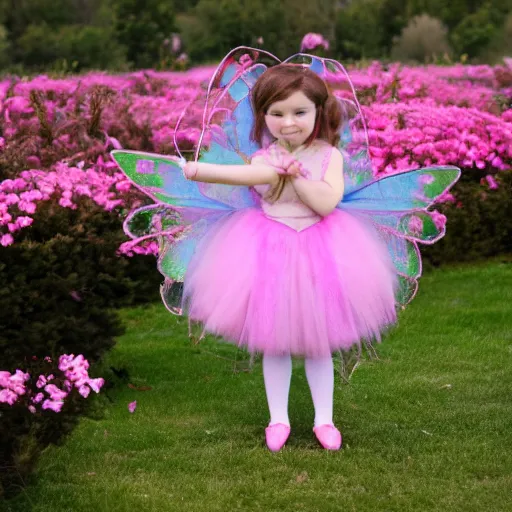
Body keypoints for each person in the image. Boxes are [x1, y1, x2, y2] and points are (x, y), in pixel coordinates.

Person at [180, 64, 398, 452]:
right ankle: (277, 418)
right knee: (273, 340)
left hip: (321, 251)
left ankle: (324, 420)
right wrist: (196, 170)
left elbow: (327, 203)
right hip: (269, 252)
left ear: (318, 111)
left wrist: (296, 176)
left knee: (319, 342)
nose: (288, 122)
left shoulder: (329, 156)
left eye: (299, 112)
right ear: (263, 116)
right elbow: (240, 178)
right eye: (276, 113)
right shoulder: (264, 158)